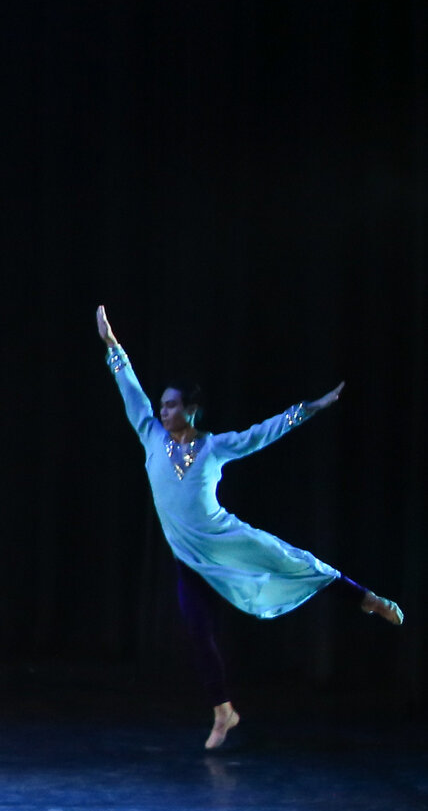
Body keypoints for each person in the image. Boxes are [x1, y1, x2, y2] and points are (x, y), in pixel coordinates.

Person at [97, 306, 402, 748]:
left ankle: (366, 598)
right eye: (161, 405)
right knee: (197, 629)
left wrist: (310, 408)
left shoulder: (215, 447)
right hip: (189, 557)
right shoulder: (150, 436)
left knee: (292, 560)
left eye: (172, 404)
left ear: (191, 409)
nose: (163, 411)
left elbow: (263, 433)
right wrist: (112, 344)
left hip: (226, 541)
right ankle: (223, 711)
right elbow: (130, 390)